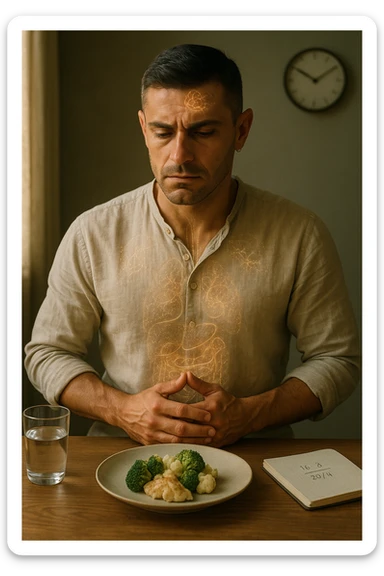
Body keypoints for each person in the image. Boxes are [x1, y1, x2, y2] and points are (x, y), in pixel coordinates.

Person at [24, 43, 360, 447]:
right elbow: (47, 353)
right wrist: (123, 410)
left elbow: (337, 359)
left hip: (257, 465)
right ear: (144, 129)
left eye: (203, 132)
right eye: (163, 132)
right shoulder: (92, 233)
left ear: (241, 130)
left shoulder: (299, 234)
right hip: (118, 461)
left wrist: (249, 415)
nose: (180, 155)